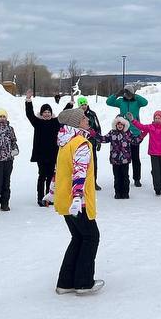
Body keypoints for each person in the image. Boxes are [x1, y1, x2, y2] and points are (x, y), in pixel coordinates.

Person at [53, 108, 102, 296]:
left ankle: (65, 282)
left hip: (65, 200)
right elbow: (79, 172)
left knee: (79, 237)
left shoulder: (65, 143)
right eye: (83, 118)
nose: (87, 120)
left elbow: (59, 170)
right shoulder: (81, 143)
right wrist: (77, 196)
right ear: (75, 123)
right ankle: (83, 282)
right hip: (77, 202)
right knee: (91, 237)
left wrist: (52, 192)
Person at [105, 87, 148, 187]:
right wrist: (117, 94)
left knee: (135, 158)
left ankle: (137, 178)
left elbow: (145, 102)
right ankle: (125, 177)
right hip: (123, 133)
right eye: (126, 93)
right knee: (123, 158)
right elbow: (109, 102)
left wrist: (134, 95)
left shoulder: (137, 101)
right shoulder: (121, 102)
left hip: (135, 132)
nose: (127, 95)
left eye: (128, 93)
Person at [26, 96, 62, 208]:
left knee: (51, 176)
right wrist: (28, 101)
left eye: (48, 112)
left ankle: (49, 197)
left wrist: (70, 104)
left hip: (52, 155)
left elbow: (64, 114)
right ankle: (40, 198)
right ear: (41, 114)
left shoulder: (56, 122)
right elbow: (29, 114)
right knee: (42, 176)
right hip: (41, 155)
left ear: (51, 113)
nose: (47, 114)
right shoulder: (38, 123)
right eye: (45, 112)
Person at [99, 119, 141, 200]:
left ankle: (125, 193)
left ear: (124, 125)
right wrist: (95, 135)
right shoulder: (112, 133)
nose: (120, 126)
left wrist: (142, 135)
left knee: (125, 177)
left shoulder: (128, 133)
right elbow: (103, 139)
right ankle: (117, 193)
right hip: (115, 160)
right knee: (117, 177)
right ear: (115, 125)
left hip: (125, 159)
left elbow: (135, 141)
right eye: (118, 124)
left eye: (121, 124)